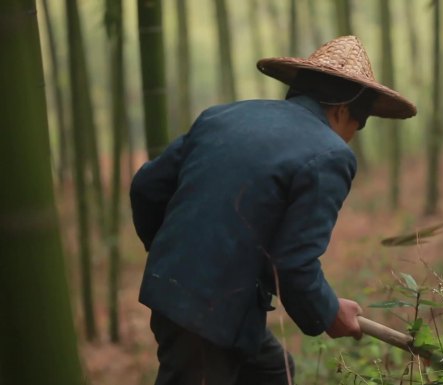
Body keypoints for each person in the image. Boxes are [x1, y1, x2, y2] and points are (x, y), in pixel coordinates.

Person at [130, 35, 417, 385]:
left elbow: (146, 186)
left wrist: (176, 255)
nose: (351, 137)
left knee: (271, 371)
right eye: (357, 126)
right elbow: (293, 264)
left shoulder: (224, 116)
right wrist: (329, 312)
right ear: (342, 111)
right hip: (204, 313)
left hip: (186, 294)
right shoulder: (330, 154)